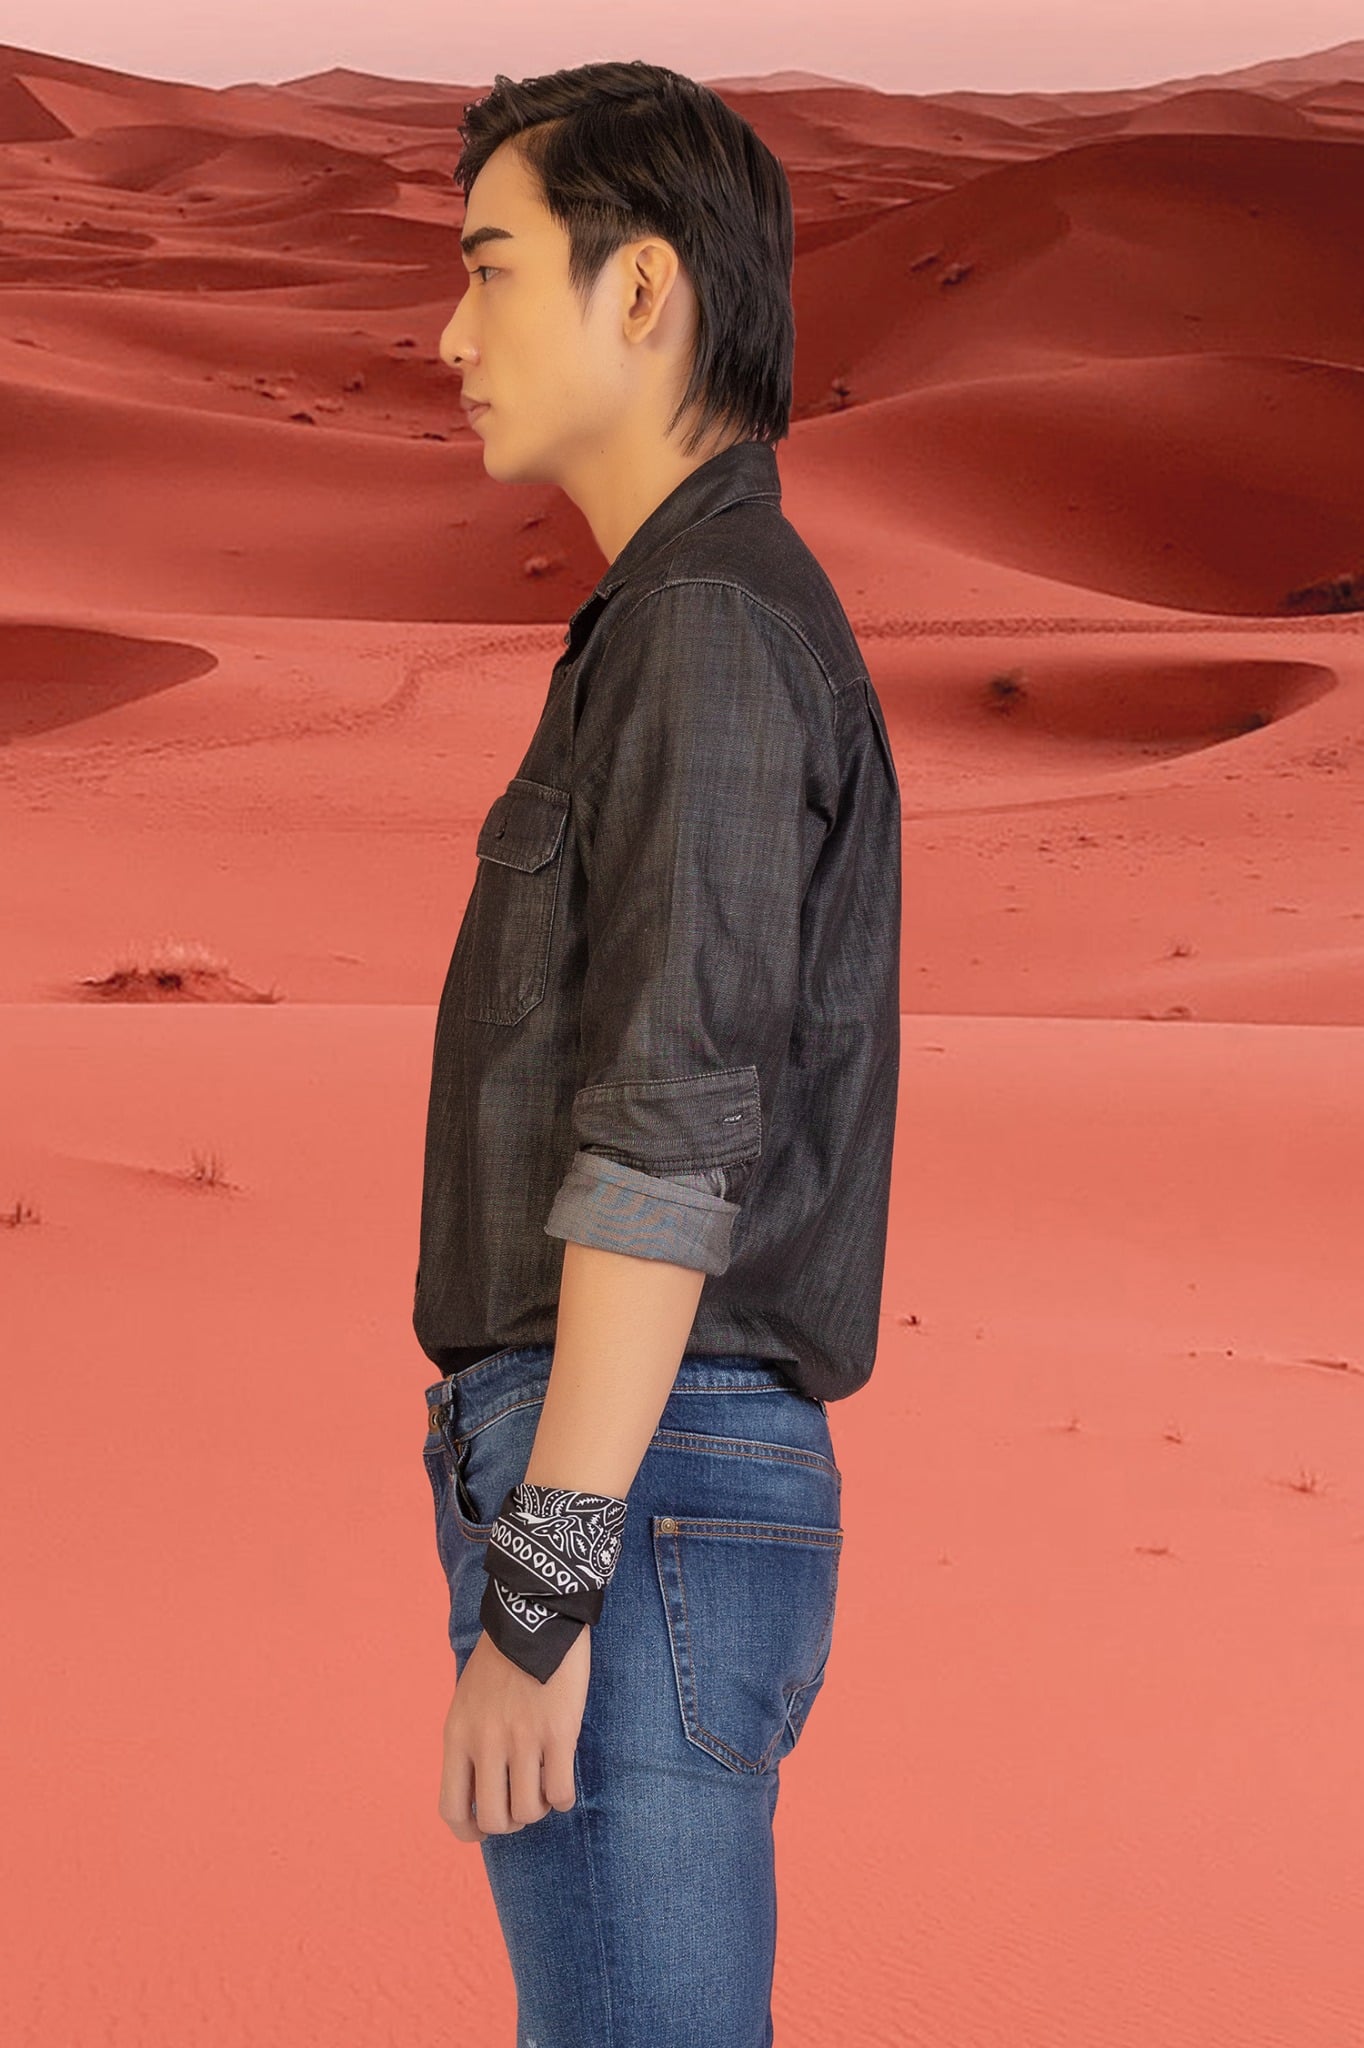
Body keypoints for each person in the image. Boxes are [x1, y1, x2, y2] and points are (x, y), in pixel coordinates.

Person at [414, 57, 901, 2048]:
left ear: (641, 290)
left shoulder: (706, 626)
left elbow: (667, 1135)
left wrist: (541, 1587)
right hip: (647, 1478)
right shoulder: (675, 618)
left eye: (489, 269)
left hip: (635, 1478)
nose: (451, 338)